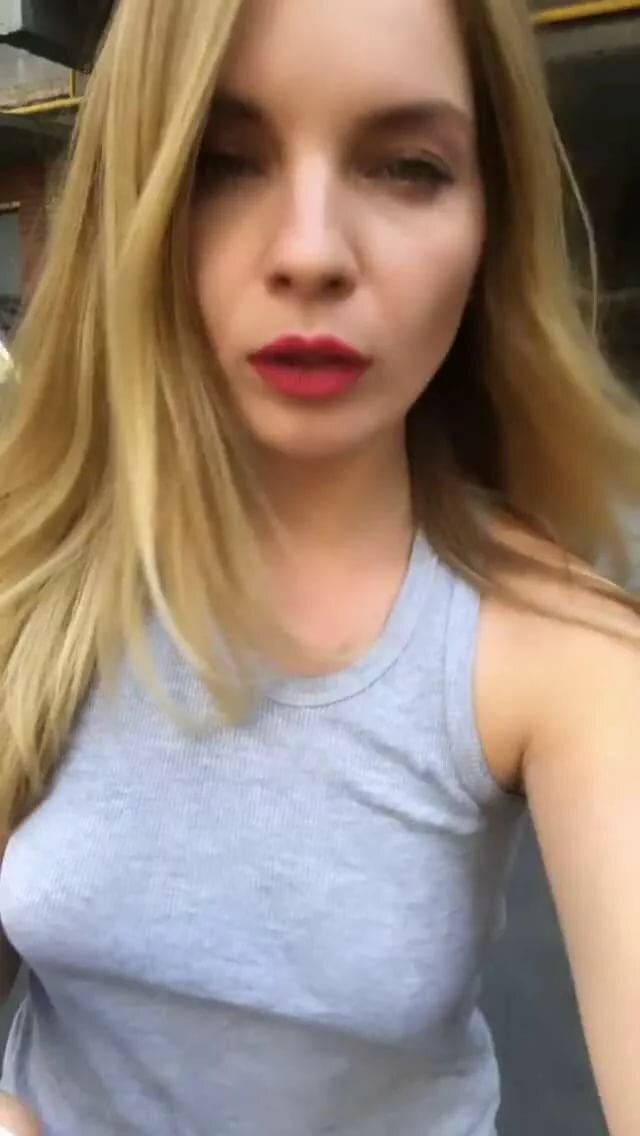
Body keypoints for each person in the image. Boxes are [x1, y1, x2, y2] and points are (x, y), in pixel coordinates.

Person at [0, 0, 638, 1133]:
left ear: (489, 221)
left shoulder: (558, 649)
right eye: (225, 161)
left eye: (407, 167)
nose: (309, 253)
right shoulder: (37, 557)